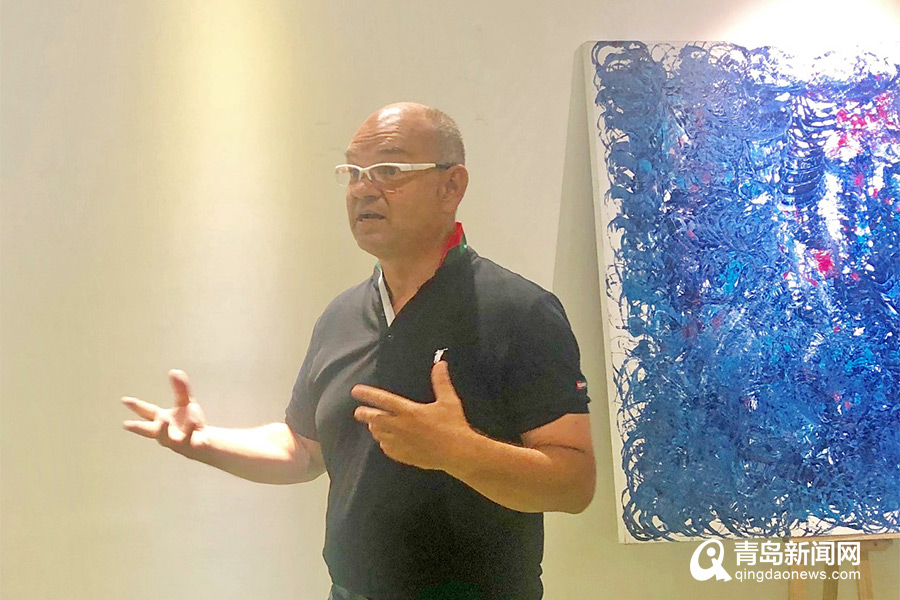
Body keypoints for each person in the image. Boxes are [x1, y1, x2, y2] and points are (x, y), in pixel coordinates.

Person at [122, 102, 596, 600]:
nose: (363, 189)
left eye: (388, 170)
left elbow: (573, 483)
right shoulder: (342, 315)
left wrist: (459, 452)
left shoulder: (519, 311)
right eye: (353, 172)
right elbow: (303, 449)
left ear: (451, 186)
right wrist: (202, 442)